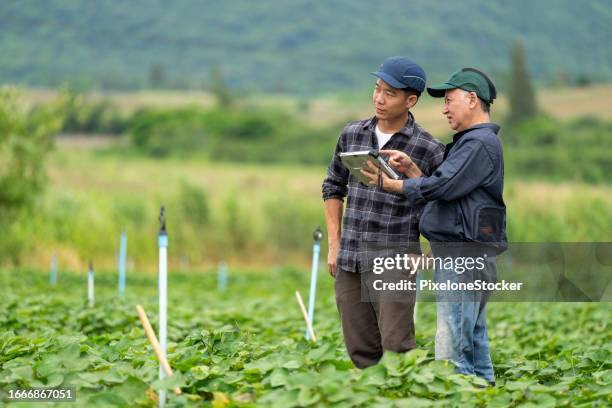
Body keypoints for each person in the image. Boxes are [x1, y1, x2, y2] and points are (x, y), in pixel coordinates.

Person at [361, 67, 506, 384]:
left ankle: (460, 397)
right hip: (469, 254)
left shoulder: (478, 144)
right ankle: (485, 395)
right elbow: (449, 194)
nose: (444, 108)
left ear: (471, 99)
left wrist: (390, 185)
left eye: (449, 100)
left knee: (454, 347)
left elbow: (440, 187)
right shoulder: (473, 143)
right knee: (473, 340)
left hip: (463, 257)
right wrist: (412, 169)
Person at [322, 56, 445, 368]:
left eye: (390, 93)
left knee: (396, 345)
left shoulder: (428, 148)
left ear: (411, 100)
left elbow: (440, 204)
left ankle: (402, 397)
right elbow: (333, 186)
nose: (379, 98)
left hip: (395, 257)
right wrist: (334, 246)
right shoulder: (352, 134)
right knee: (359, 347)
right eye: (377, 89)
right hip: (350, 256)